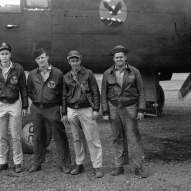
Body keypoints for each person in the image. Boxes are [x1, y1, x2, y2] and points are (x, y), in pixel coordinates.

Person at [101, 45, 147, 178]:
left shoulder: (134, 72)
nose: (119, 59)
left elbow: (141, 92)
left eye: (121, 57)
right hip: (113, 108)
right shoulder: (107, 73)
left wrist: (141, 110)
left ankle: (139, 167)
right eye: (116, 57)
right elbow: (103, 94)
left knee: (134, 138)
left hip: (130, 107)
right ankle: (119, 166)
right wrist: (105, 112)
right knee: (117, 138)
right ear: (114, 59)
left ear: (125, 58)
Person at [0, 42, 28, 173]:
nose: (4, 56)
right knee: (1, 136)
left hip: (14, 103)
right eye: (2, 54)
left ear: (10, 54)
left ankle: (18, 163)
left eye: (6, 53)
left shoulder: (18, 69)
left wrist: (25, 105)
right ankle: (3, 162)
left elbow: (23, 89)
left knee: (16, 135)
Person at [27, 48, 71, 174]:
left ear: (47, 57)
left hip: (52, 108)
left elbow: (63, 94)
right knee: (38, 136)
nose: (41, 60)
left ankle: (64, 164)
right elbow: (29, 90)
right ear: (36, 60)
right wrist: (36, 99)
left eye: (42, 57)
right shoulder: (32, 74)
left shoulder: (57, 73)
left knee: (59, 136)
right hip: (37, 109)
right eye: (38, 58)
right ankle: (37, 163)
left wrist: (63, 111)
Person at [61, 50, 104, 178]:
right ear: (69, 61)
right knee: (77, 138)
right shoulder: (66, 76)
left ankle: (97, 166)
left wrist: (96, 109)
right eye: (72, 61)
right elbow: (64, 96)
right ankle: (79, 164)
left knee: (92, 138)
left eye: (77, 60)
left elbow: (96, 92)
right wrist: (64, 113)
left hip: (86, 109)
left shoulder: (88, 73)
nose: (75, 63)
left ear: (81, 60)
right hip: (72, 110)